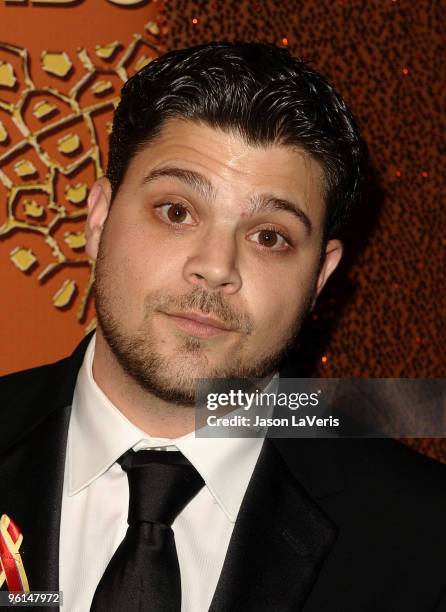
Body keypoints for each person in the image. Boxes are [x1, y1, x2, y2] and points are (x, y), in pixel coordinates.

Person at [1, 41, 446, 612]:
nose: (216, 266)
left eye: (269, 236)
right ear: (99, 219)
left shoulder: (425, 542)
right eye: (177, 211)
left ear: (320, 277)